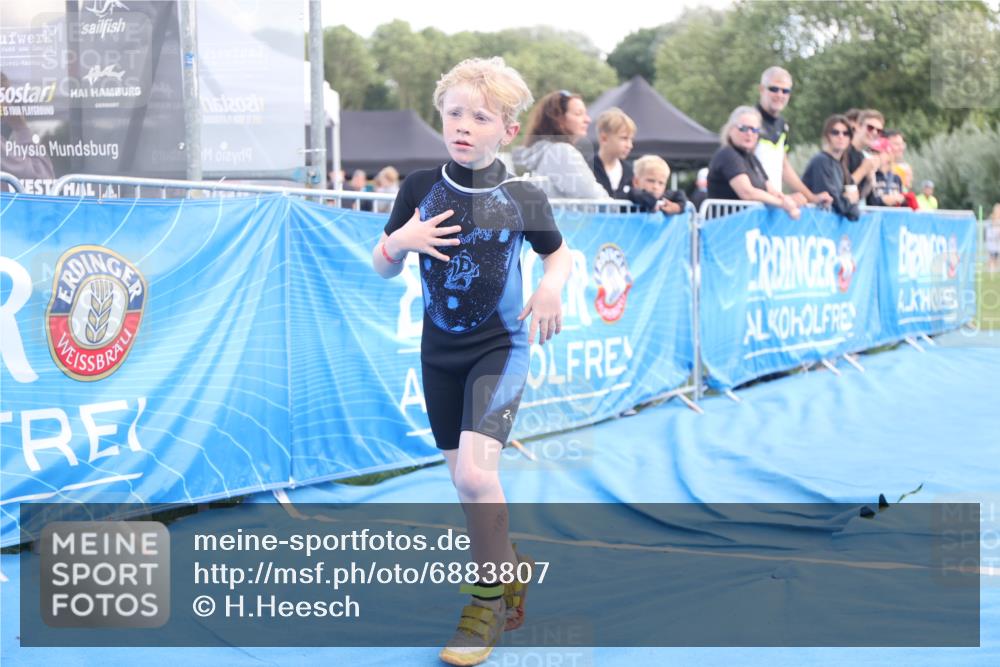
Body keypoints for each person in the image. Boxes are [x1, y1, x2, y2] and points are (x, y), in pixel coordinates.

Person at [372, 57, 571, 666]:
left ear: (506, 130)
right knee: (466, 484)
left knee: (475, 477)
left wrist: (550, 286)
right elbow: (381, 265)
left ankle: (483, 603)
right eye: (454, 113)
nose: (463, 125)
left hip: (499, 348)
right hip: (440, 356)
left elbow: (559, 255)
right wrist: (397, 243)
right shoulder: (417, 189)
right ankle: (509, 568)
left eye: (479, 117)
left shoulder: (521, 197)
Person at [753, 66, 832, 207]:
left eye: (785, 91)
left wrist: (811, 197)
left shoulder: (783, 125)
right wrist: (783, 198)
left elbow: (784, 167)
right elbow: (745, 167)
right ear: (761, 89)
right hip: (750, 205)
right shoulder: (750, 120)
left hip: (773, 205)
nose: (780, 95)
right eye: (774, 89)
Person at [513, 90, 611, 199]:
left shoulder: (544, 152)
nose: (587, 120)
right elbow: (590, 194)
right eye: (578, 114)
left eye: (585, 114)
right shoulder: (561, 151)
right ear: (558, 119)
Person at [707, 105, 800, 219]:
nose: (750, 133)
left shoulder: (751, 157)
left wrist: (789, 199)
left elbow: (772, 191)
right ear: (730, 130)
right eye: (744, 128)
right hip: (725, 229)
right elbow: (747, 192)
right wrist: (783, 204)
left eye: (755, 130)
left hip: (746, 228)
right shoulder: (728, 154)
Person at [801, 114, 860, 221]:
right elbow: (835, 202)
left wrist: (850, 201)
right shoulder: (821, 161)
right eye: (835, 132)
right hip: (813, 226)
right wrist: (850, 202)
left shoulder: (841, 165)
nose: (841, 136)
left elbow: (855, 202)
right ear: (827, 136)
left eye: (845, 133)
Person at [591, 107, 637, 198]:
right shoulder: (587, 168)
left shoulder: (630, 172)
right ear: (604, 138)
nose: (629, 145)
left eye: (631, 139)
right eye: (624, 138)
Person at [845, 109, 885, 200]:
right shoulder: (843, 152)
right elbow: (841, 189)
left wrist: (870, 180)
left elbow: (860, 197)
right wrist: (863, 170)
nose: (874, 132)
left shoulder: (863, 157)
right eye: (870, 128)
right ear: (858, 126)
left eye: (878, 131)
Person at [866, 137, 906, 207]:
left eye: (878, 152)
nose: (874, 156)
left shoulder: (896, 178)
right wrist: (883, 200)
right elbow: (867, 201)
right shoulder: (868, 174)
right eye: (872, 152)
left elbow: (901, 205)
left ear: (889, 154)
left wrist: (901, 200)